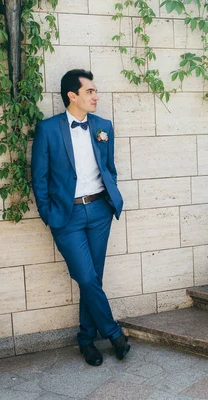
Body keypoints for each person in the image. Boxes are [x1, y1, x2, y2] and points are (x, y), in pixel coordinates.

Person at [31, 69, 130, 366]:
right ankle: (113, 332)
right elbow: (39, 177)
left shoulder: (103, 126)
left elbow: (108, 167)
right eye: (90, 91)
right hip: (67, 215)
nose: (96, 96)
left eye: (95, 91)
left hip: (99, 211)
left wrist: (111, 197)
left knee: (92, 280)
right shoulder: (49, 129)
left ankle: (86, 339)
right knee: (86, 277)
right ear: (72, 96)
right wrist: (49, 214)